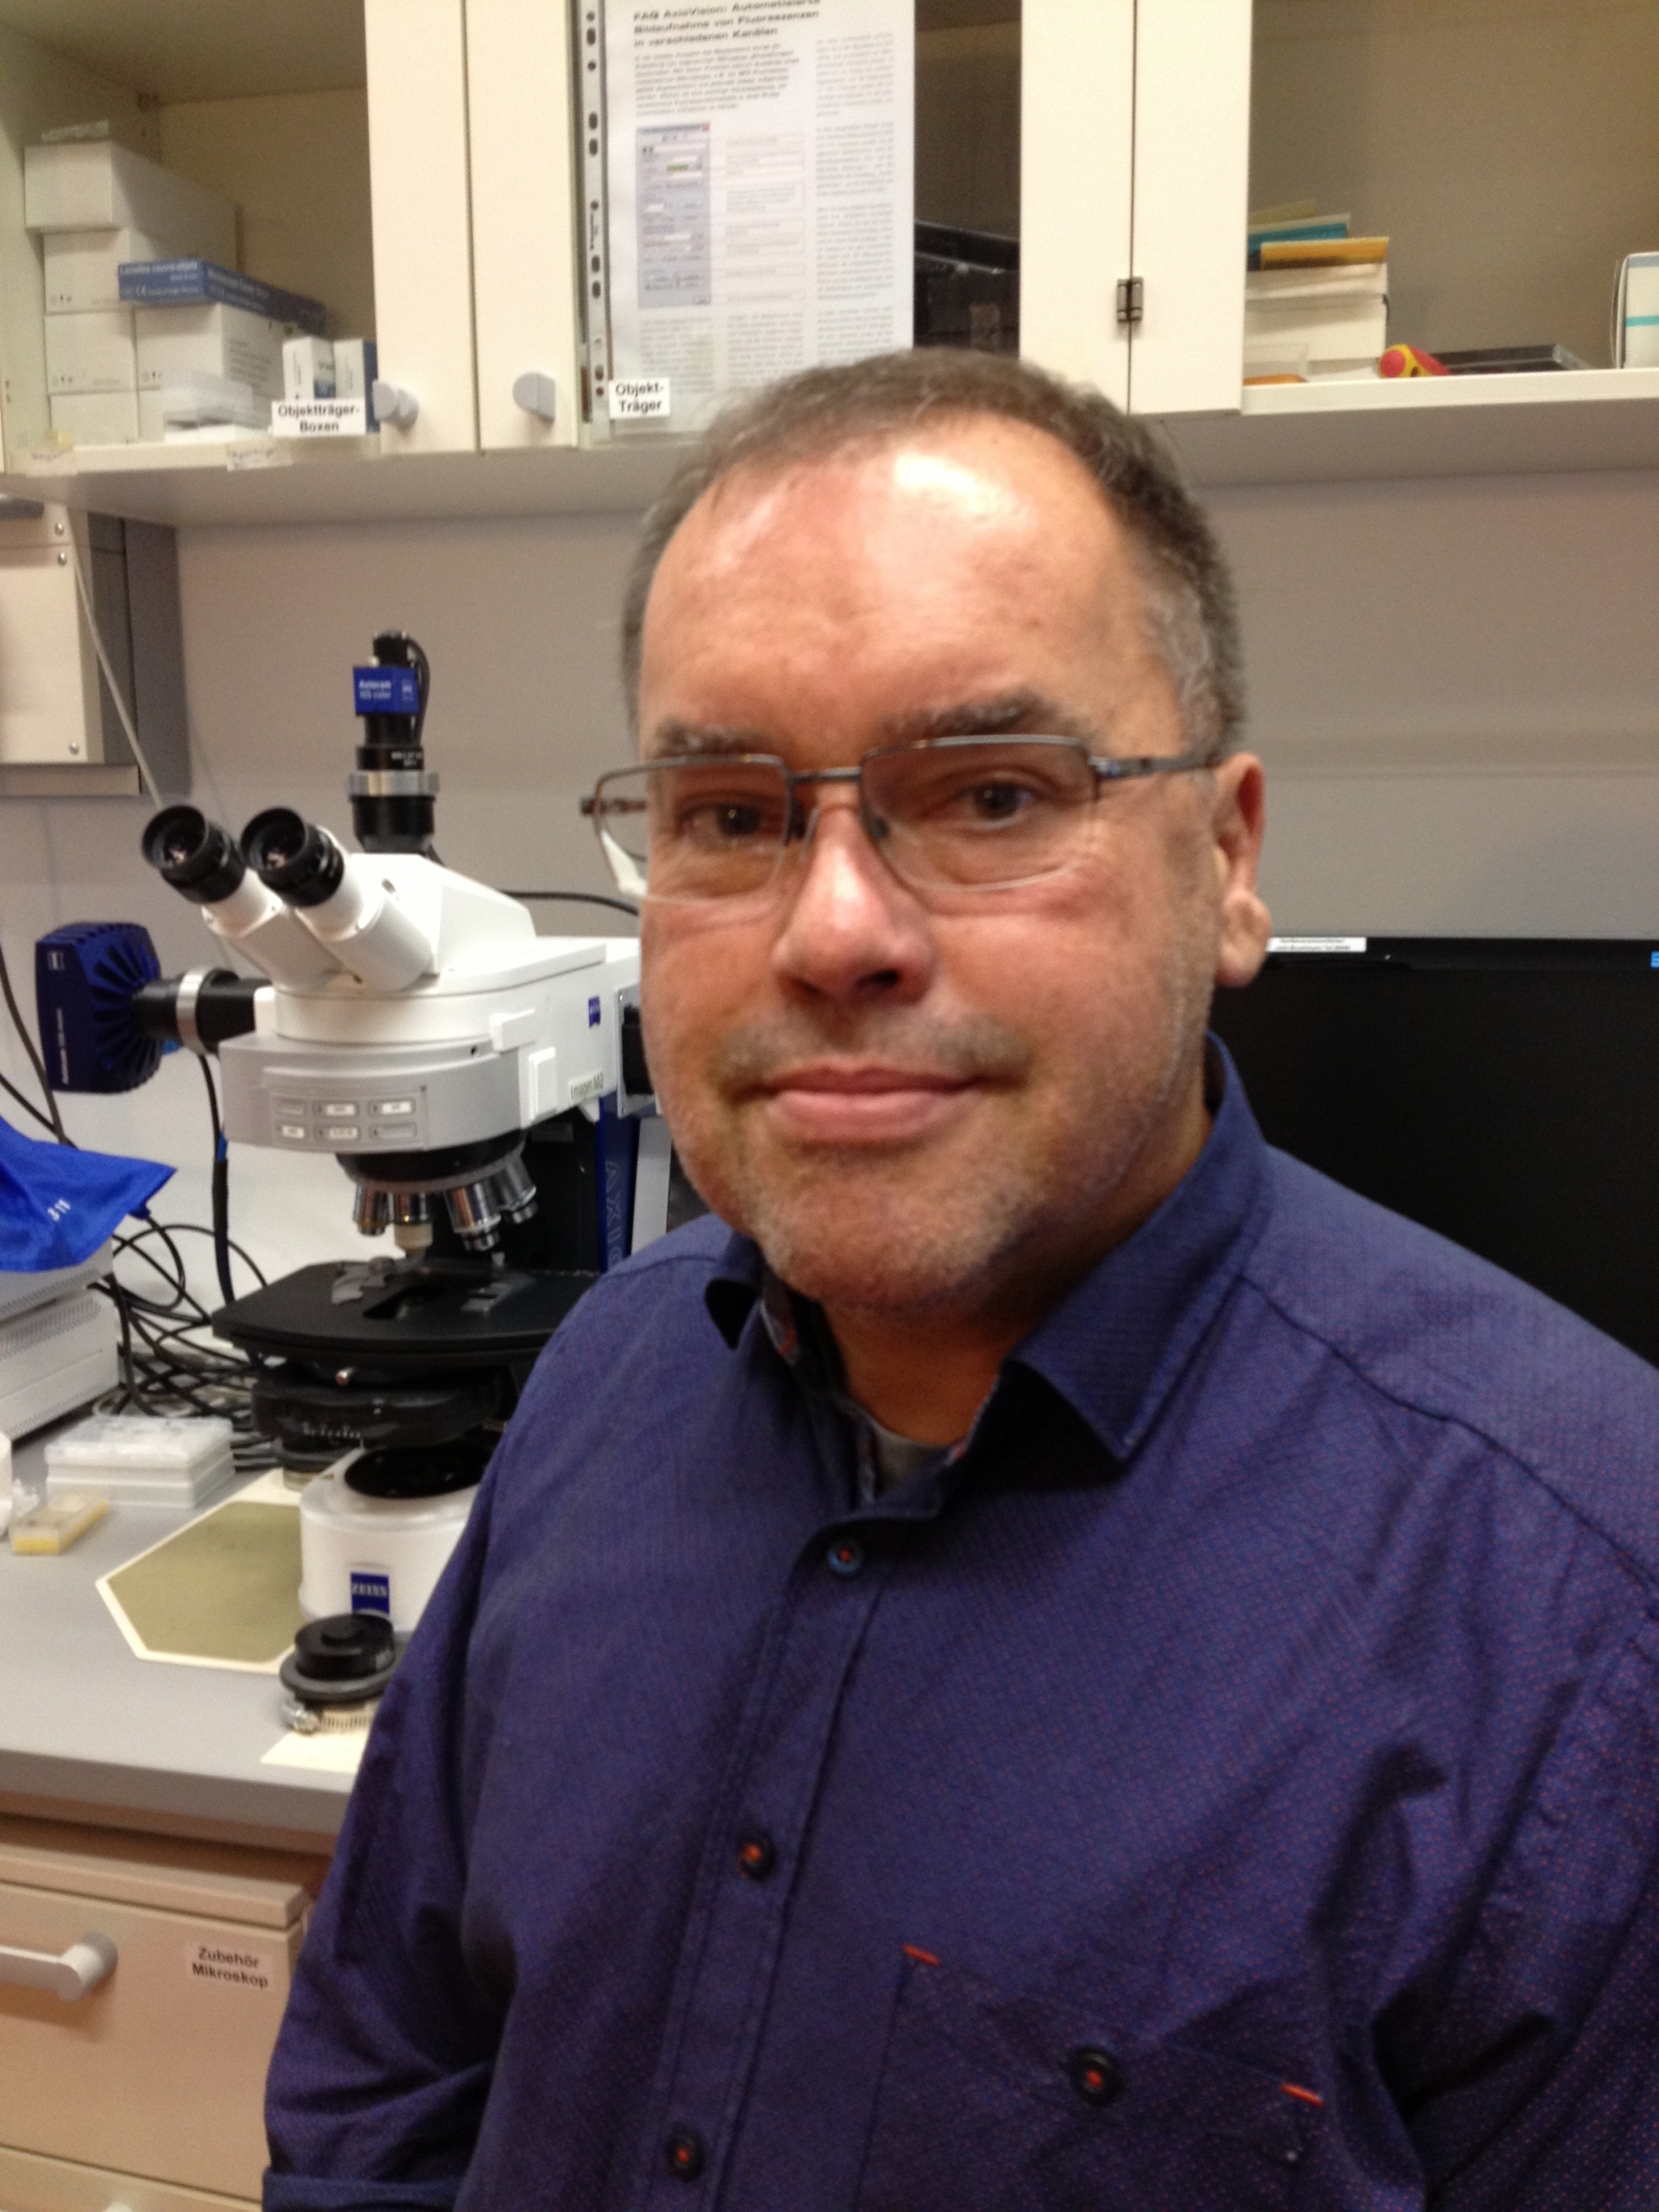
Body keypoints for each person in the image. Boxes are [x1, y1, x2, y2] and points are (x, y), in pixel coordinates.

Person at [264, 350, 1659, 2212]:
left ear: (1229, 859)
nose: (833, 929)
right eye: (735, 815)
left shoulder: (1570, 1603)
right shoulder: (603, 1377)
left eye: (994, 793)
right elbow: (387, 2070)